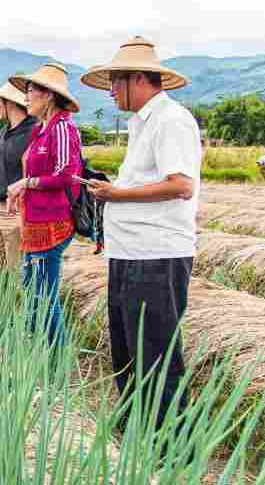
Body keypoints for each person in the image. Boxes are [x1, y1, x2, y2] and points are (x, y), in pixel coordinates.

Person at [81, 36, 199, 433]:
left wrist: (118, 193)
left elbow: (182, 185)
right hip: (129, 252)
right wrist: (114, 190)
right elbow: (148, 183)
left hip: (156, 254)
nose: (112, 90)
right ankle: (135, 433)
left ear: (140, 80)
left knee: (156, 352)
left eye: (116, 82)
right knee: (128, 350)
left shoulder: (171, 120)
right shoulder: (141, 123)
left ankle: (167, 446)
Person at [6, 63, 83, 346]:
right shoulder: (40, 130)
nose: (25, 98)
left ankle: (56, 359)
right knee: (33, 290)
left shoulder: (62, 128)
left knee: (44, 295)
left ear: (48, 95)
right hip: (34, 222)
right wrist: (21, 191)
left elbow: (66, 174)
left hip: (52, 223)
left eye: (30, 91)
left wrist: (26, 184)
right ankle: (38, 351)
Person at [0, 82, 35, 270]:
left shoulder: (34, 132)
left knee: (15, 273)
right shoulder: (3, 132)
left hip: (14, 212)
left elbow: (32, 174)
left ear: (9, 103)